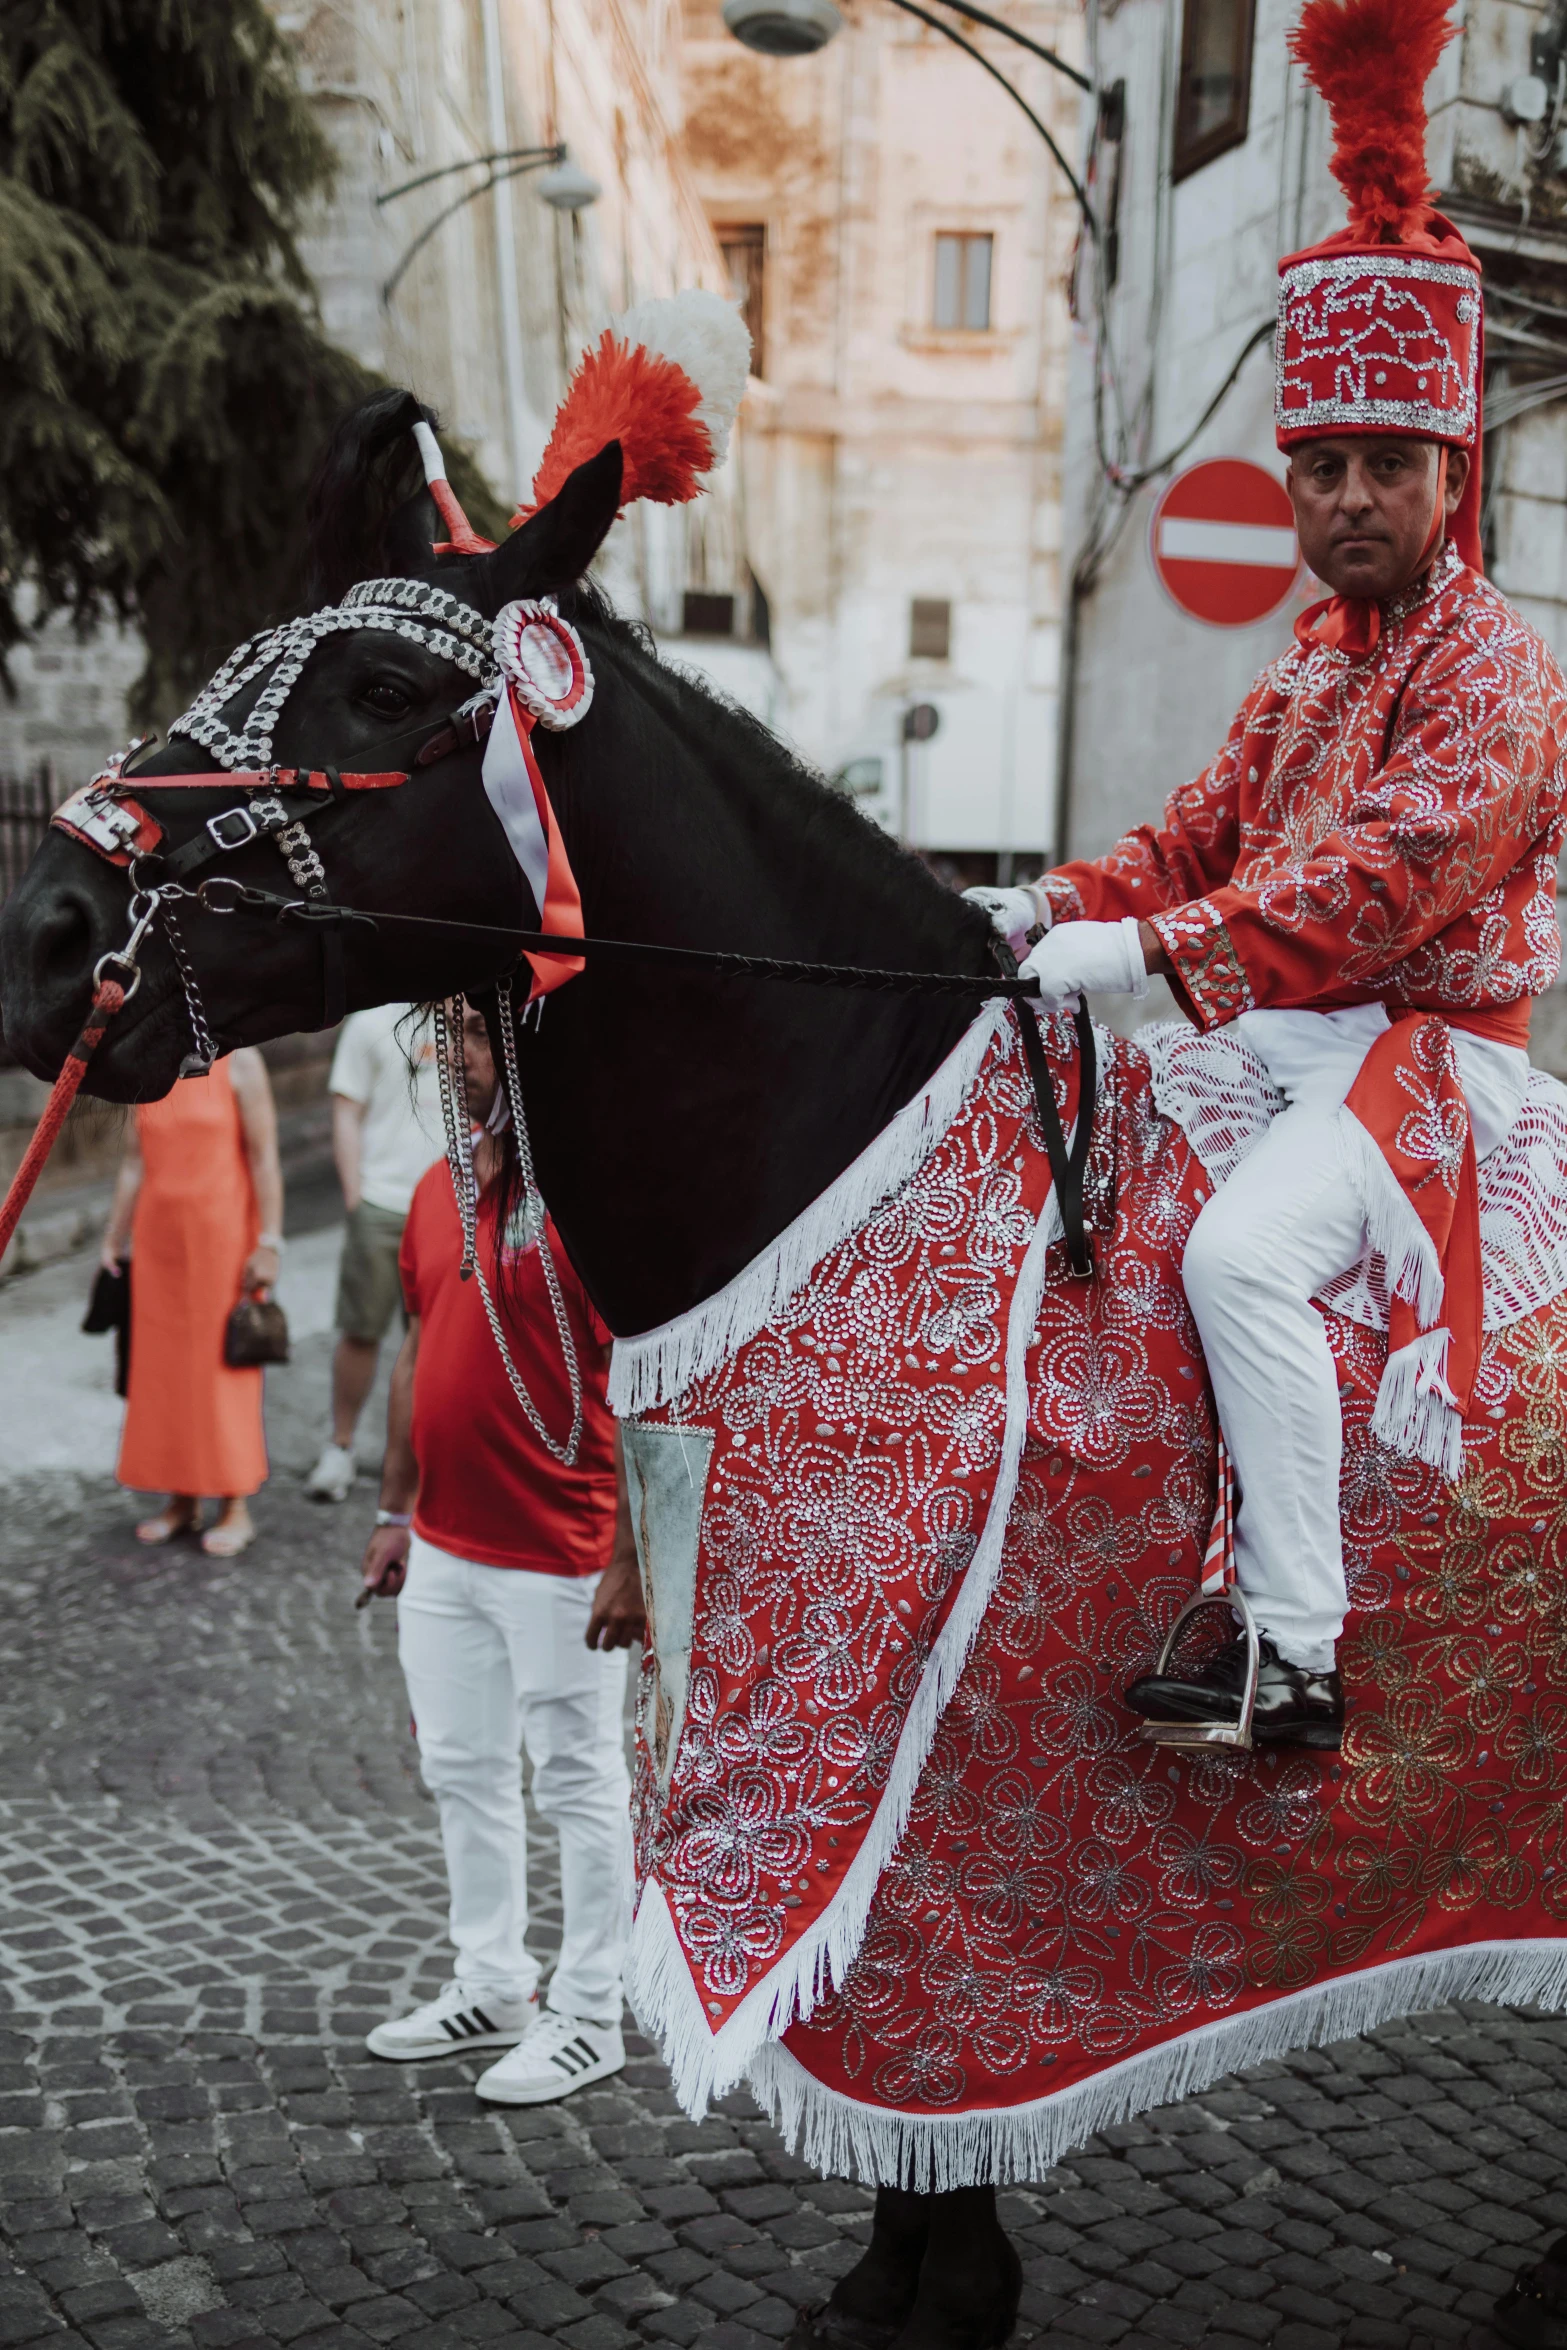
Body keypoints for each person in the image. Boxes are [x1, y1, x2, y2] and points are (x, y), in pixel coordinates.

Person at [969, 4, 1567, 1749]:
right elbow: (1187, 839)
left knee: (1235, 1257)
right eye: (1326, 469)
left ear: (1448, 477)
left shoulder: (1500, 673)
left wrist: (1144, 950)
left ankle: (1294, 1653)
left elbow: (1380, 889)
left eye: (1390, 466)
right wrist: (1035, 908)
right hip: (1289, 1053)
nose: (1355, 496)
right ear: (1289, 486)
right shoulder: (1302, 668)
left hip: (1427, 1073)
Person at [358, 1001, 645, 2103]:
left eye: (474, 1031)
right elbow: (417, 1341)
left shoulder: (587, 1189)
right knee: (460, 1770)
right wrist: (392, 1514)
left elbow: (651, 1374)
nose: (449, 1051)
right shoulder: (437, 1186)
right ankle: (493, 1980)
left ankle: (589, 2009)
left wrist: (632, 1555)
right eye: (443, 1031)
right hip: (441, 1544)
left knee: (577, 1778)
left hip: (560, 1547)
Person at [101, 1050, 285, 1558]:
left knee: (220, 1374)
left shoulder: (244, 1062)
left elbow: (264, 1157)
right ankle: (181, 1499)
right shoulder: (148, 1064)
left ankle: (235, 1505)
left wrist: (270, 1242)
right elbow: (135, 1162)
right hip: (159, 1250)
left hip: (224, 1251)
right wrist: (113, 1239)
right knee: (165, 1375)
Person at [305, 1004, 444, 1502]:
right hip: (382, 1203)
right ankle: (339, 1447)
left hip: (450, 1212)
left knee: (438, 1347)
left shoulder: (466, 1015)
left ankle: (419, 1464)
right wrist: (354, 1196)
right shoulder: (371, 1023)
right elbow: (347, 1110)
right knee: (361, 1331)